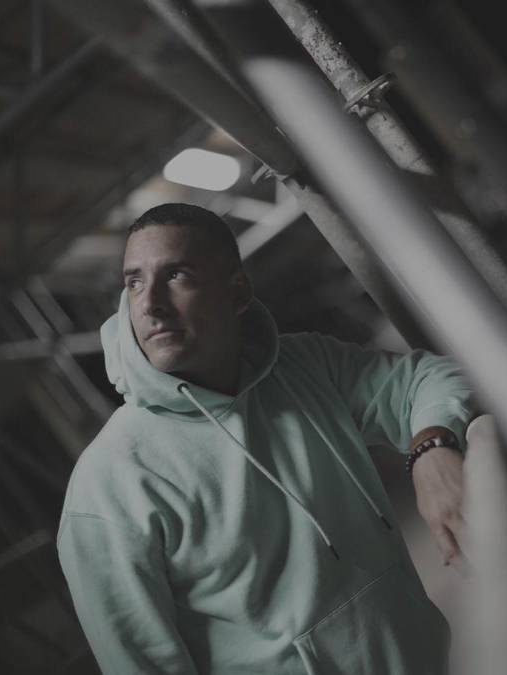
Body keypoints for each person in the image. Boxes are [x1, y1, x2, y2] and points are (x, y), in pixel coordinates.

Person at [57, 203, 474, 674]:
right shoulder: (108, 482)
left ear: (237, 291)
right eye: (134, 282)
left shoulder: (307, 366)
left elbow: (428, 377)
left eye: (176, 275)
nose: (150, 303)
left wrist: (431, 448)